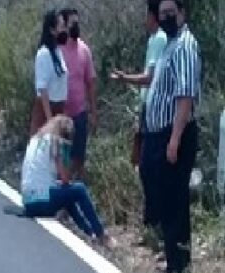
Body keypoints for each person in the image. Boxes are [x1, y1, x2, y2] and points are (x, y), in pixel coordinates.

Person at [144, 0, 201, 273]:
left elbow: (185, 97)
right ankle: (171, 258)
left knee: (175, 200)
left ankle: (179, 266)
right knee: (165, 198)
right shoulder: (170, 44)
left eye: (171, 13)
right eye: (162, 14)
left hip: (175, 134)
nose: (166, 18)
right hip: (160, 134)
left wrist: (175, 139)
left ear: (182, 13)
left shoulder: (186, 46)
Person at [110, 0, 168, 231]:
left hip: (154, 110)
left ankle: (155, 219)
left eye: (147, 15)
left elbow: (150, 77)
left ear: (154, 17)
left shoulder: (160, 39)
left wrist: (125, 78)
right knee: (142, 164)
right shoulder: (153, 40)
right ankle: (151, 218)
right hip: (146, 107)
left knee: (149, 166)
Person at [21, 114, 112, 246]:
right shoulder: (56, 141)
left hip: (28, 202)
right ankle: (100, 233)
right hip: (42, 202)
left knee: (67, 193)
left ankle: (89, 232)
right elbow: (64, 177)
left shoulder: (35, 140)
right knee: (78, 190)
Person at [59, 7, 98, 180]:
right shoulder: (57, 51)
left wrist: (93, 112)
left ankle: (77, 192)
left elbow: (90, 83)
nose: (76, 26)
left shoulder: (84, 50)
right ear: (65, 25)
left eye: (77, 23)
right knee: (62, 157)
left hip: (79, 114)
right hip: (61, 116)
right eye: (73, 23)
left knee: (79, 157)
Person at [30, 9, 69, 136]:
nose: (65, 30)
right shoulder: (44, 54)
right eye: (62, 26)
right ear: (52, 30)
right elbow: (42, 89)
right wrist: (50, 120)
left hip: (59, 108)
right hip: (46, 111)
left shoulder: (58, 51)